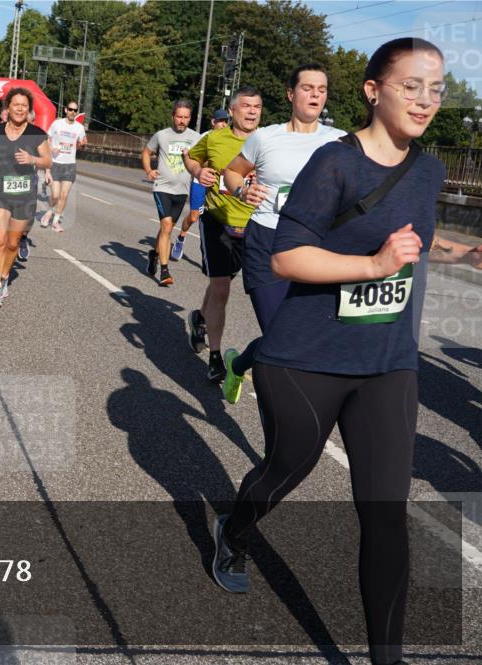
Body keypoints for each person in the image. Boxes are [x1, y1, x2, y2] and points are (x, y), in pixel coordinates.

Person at [212, 38, 481, 665]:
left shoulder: (431, 169)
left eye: (436, 88)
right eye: (411, 85)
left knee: (386, 513)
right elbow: (286, 257)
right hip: (306, 356)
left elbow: (412, 241)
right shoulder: (334, 163)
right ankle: (235, 528)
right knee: (284, 472)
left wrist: (463, 255)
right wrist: (372, 265)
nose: (425, 100)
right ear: (373, 90)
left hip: (388, 362)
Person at [219, 64, 346, 403]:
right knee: (281, 341)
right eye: (308, 88)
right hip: (267, 243)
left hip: (316, 248)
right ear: (291, 94)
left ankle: (239, 363)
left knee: (298, 339)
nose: (316, 94)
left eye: (321, 88)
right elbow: (232, 172)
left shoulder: (340, 141)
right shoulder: (266, 137)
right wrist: (242, 191)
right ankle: (278, 442)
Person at [183, 86, 263, 382]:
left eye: (257, 106)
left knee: (224, 282)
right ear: (232, 111)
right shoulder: (214, 138)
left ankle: (200, 319)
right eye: (246, 106)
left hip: (254, 226)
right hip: (217, 221)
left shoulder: (267, 141)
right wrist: (196, 172)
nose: (252, 111)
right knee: (221, 288)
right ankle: (215, 358)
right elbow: (190, 157)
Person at [0, 88, 52, 307]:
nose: (20, 109)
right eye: (16, 104)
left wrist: (32, 159)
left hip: (23, 196)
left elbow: (48, 161)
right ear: (8, 107)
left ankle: (4, 277)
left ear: (28, 109)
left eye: (24, 105)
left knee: (12, 244)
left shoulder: (36, 133)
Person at [142, 100, 200, 286]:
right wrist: (149, 171)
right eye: (179, 116)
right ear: (172, 116)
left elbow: (203, 160)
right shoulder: (162, 135)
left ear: (190, 118)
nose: (182, 120)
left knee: (165, 229)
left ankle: (154, 254)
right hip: (162, 187)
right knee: (167, 226)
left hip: (182, 191)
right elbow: (146, 152)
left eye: (186, 117)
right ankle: (164, 271)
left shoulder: (196, 138)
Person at [174, 109, 229, 261]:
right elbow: (193, 159)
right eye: (220, 121)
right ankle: (181, 238)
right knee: (193, 217)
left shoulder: (231, 138)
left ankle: (211, 254)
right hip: (201, 182)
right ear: (213, 122)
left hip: (219, 184)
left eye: (226, 121)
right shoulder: (204, 137)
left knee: (218, 220)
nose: (224, 125)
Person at [40, 100, 88, 235]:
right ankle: (48, 212)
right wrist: (51, 148)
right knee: (55, 195)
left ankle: (55, 221)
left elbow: (81, 144)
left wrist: (83, 144)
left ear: (76, 112)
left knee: (64, 195)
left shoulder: (79, 127)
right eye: (70, 109)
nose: (72, 112)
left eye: (75, 110)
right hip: (55, 163)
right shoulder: (57, 124)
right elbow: (47, 140)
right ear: (65, 110)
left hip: (70, 164)